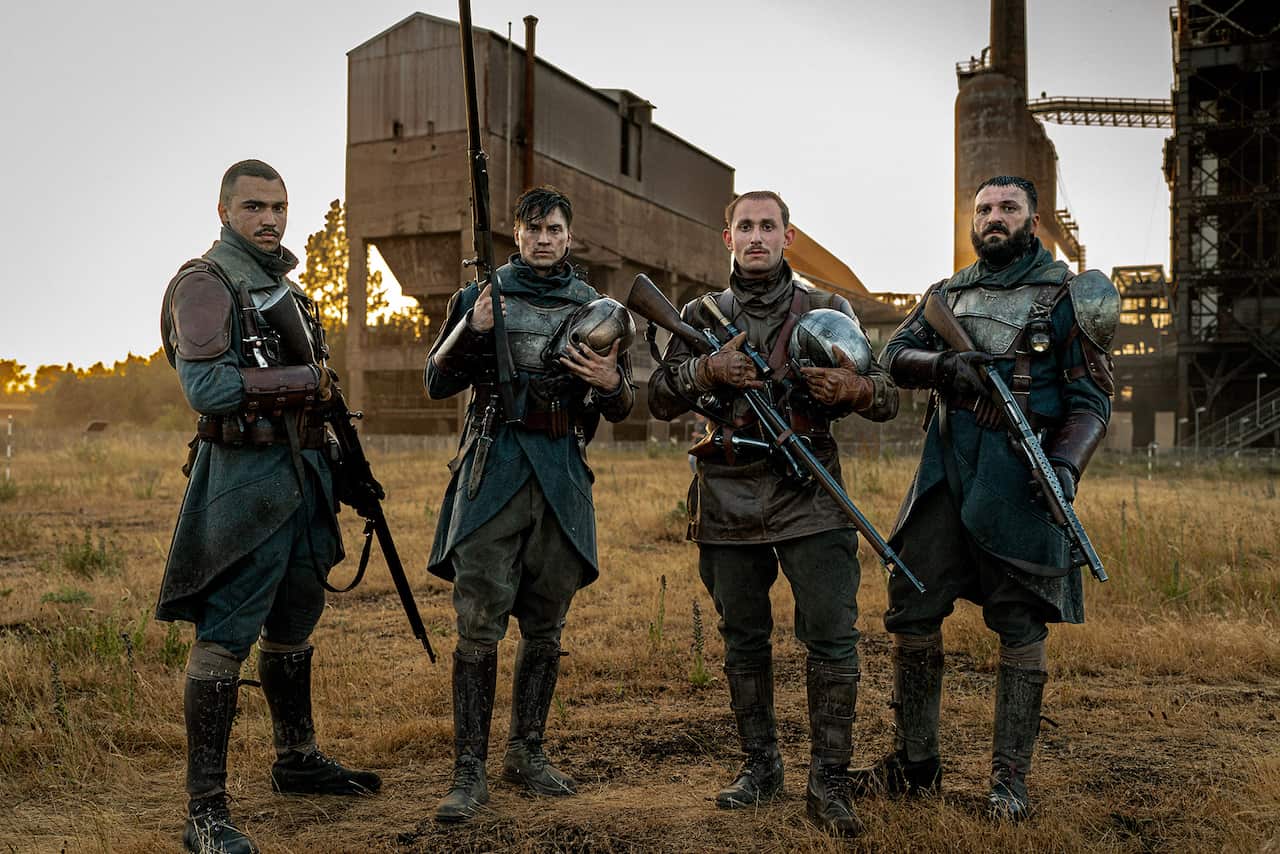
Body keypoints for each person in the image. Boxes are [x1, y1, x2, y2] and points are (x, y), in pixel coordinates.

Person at [857, 175, 1117, 821]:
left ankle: (1009, 784)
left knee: (1020, 622)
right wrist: (946, 368)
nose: (994, 218)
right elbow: (893, 355)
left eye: (1008, 208)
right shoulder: (947, 294)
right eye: (984, 210)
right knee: (912, 609)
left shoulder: (1066, 295)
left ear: (1034, 220)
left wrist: (1064, 466)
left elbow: (1090, 401)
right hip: (945, 472)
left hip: (1022, 477)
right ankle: (915, 768)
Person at [647, 190, 899, 836]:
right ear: (725, 237)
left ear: (789, 238)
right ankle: (761, 770)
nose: (756, 236)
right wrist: (707, 369)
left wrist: (857, 388)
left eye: (769, 225)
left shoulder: (830, 310)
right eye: (745, 226)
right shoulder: (699, 315)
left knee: (834, 642)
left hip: (811, 496)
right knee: (743, 641)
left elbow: (890, 396)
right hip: (726, 501)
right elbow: (656, 398)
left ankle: (829, 784)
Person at [157, 160, 379, 854]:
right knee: (226, 637)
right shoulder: (204, 282)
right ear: (224, 211)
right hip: (244, 486)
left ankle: (296, 759)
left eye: (279, 206)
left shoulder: (289, 290)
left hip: (304, 478)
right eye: (255, 206)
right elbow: (211, 391)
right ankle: (206, 812)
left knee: (294, 622)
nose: (271, 218)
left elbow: (320, 393)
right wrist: (304, 379)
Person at [424, 185, 635, 823]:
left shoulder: (592, 307)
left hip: (561, 473)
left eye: (555, 229)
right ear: (515, 234)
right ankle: (469, 771)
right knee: (479, 619)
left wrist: (611, 381)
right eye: (533, 228)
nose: (544, 238)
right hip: (494, 472)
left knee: (547, 621)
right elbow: (436, 379)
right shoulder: (481, 297)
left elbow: (621, 408)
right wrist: (473, 328)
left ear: (570, 236)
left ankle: (528, 752)